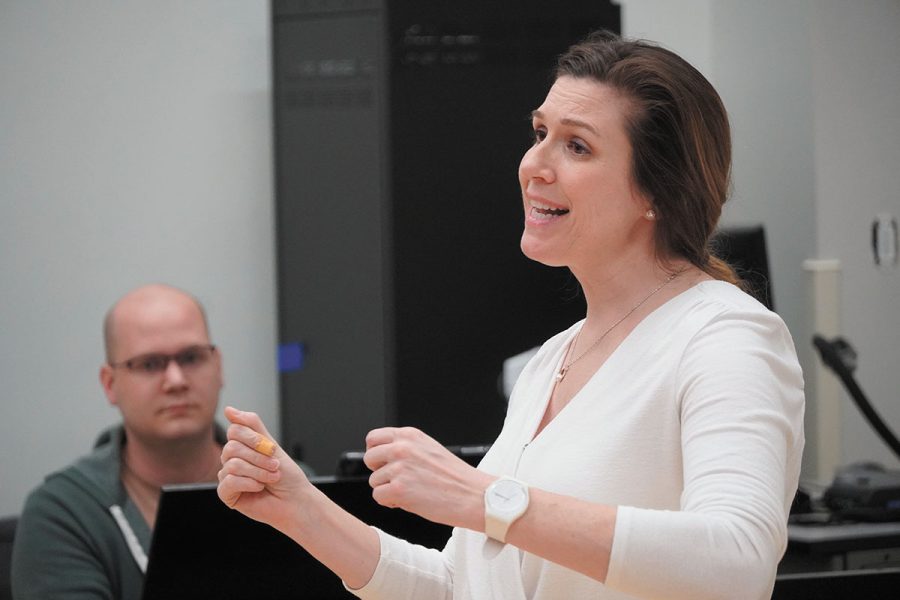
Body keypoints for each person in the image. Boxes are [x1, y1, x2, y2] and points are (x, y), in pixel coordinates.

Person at [217, 30, 805, 600]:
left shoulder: (727, 337)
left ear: (655, 191)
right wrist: (302, 510)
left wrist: (485, 498)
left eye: (576, 145)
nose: (533, 165)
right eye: (540, 133)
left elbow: (737, 562)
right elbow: (461, 586)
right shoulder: (551, 360)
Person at [11, 284, 227, 600]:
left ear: (218, 366)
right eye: (150, 364)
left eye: (192, 357)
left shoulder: (290, 484)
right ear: (110, 384)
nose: (177, 381)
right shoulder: (62, 514)